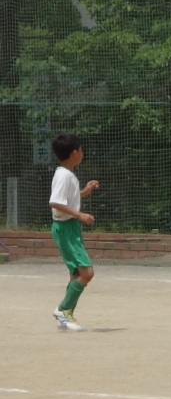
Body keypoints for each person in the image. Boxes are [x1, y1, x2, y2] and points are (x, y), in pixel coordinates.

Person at [47, 134, 99, 331]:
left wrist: (85, 191)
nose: (82, 153)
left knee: (76, 273)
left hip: (69, 227)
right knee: (87, 272)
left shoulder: (66, 173)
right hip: (65, 228)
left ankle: (67, 316)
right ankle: (62, 310)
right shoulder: (64, 175)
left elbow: (66, 198)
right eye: (81, 149)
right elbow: (55, 201)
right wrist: (79, 215)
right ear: (75, 152)